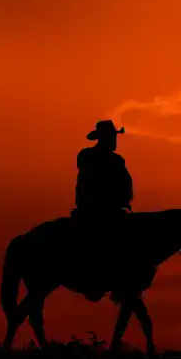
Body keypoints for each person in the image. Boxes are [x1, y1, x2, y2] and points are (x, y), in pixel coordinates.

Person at [71, 120, 133, 300]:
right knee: (90, 239)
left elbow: (126, 182)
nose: (114, 141)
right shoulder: (87, 156)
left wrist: (125, 198)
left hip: (113, 209)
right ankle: (87, 279)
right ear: (102, 138)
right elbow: (91, 182)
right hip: (91, 209)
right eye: (111, 137)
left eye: (114, 137)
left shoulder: (117, 160)